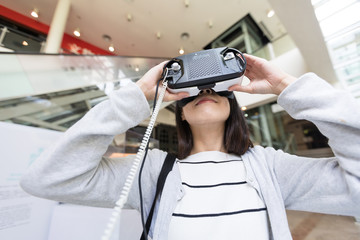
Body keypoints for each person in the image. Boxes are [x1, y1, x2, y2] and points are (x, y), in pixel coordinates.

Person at [20, 54, 360, 240]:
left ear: (233, 104)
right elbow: (45, 180)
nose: (205, 91)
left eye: (215, 88)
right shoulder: (152, 171)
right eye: (194, 90)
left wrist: (287, 87)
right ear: (180, 112)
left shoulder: (270, 167)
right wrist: (136, 98)